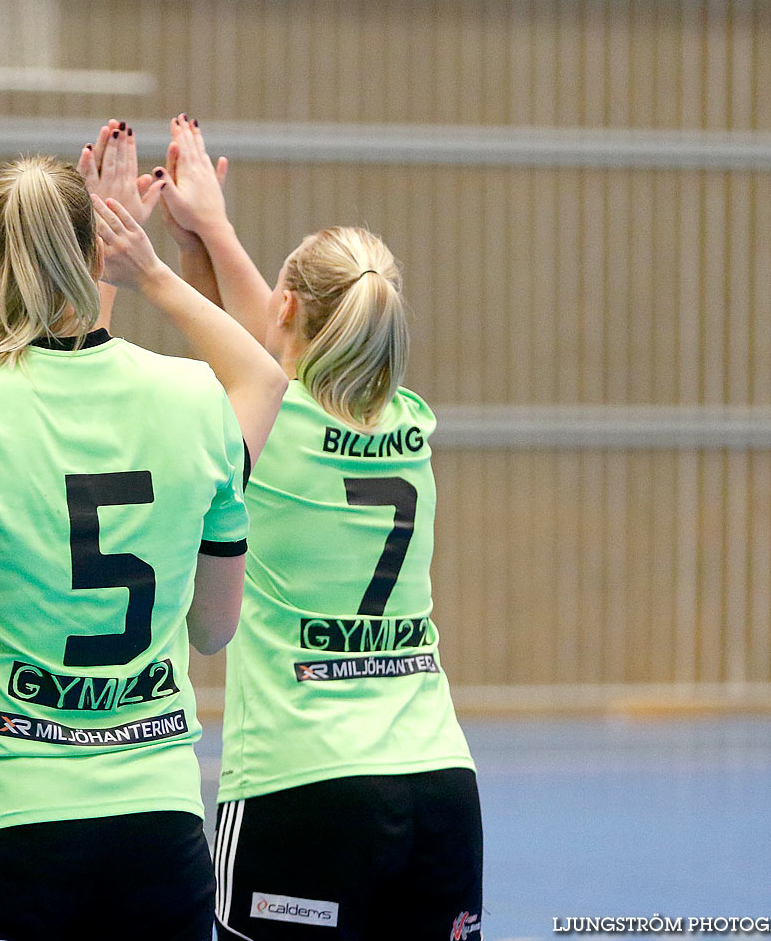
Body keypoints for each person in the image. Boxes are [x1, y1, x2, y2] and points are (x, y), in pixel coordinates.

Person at [0, 154, 285, 941]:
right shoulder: (194, 399)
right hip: (155, 823)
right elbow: (215, 628)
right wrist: (156, 273)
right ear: (99, 255)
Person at [157, 115, 483, 941]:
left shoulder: (272, 430)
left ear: (289, 306)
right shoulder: (411, 427)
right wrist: (211, 229)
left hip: (304, 790)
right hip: (440, 783)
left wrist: (187, 244)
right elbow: (264, 350)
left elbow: (244, 365)